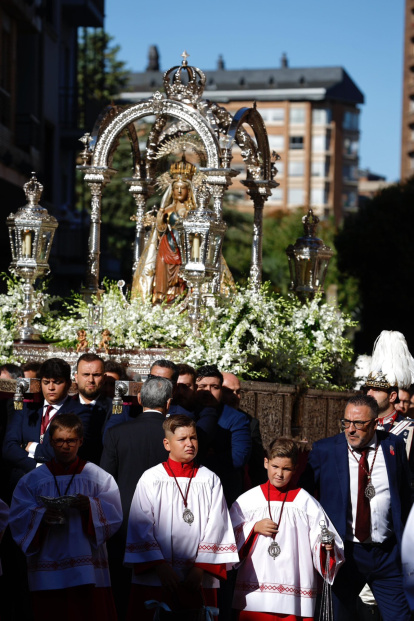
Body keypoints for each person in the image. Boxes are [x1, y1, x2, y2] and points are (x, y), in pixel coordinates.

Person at [301, 394, 412, 621]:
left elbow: (405, 496)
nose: (351, 429)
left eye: (359, 423)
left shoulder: (394, 446)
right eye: (346, 422)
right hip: (345, 554)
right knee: (338, 616)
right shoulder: (325, 450)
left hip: (387, 555)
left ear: (374, 423)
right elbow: (303, 496)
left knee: (400, 616)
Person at [124, 414, 239, 620]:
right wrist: (159, 566)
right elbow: (140, 524)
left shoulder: (209, 479)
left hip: (198, 577)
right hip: (157, 574)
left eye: (193, 438)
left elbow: (217, 525)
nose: (190, 444)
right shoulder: (151, 478)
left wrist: (200, 568)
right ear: (167, 444)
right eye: (182, 439)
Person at [9, 414, 122, 621]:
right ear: (50, 442)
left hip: (87, 565)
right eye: (59, 441)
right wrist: (42, 515)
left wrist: (89, 506)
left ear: (80, 441)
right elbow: (16, 517)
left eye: (70, 440)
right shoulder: (32, 480)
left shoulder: (97, 477)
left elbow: (114, 513)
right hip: (47, 563)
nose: (65, 446)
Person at [230, 437, 344, 620]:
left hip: (294, 590)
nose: (279, 474)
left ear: (296, 469)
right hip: (255, 591)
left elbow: (322, 537)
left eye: (286, 469)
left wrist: (325, 547)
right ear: (266, 462)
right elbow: (228, 539)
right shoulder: (247, 501)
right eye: (275, 466)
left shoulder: (306, 503)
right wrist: (253, 528)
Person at [100, 376, 173, 620]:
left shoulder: (117, 433)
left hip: (125, 522)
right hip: (168, 523)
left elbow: (105, 481)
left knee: (123, 591)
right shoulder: (178, 438)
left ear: (139, 399)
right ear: (169, 403)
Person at [132, 157, 197, 303]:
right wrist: (160, 217)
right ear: (172, 191)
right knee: (162, 271)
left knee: (183, 274)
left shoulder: (193, 210)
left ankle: (183, 298)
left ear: (188, 190)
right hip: (167, 246)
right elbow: (160, 231)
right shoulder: (168, 210)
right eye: (176, 188)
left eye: (183, 188)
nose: (179, 191)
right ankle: (162, 297)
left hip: (185, 247)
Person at [196, 365, 251, 505]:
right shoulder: (186, 414)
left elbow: (239, 457)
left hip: (223, 493)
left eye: (214, 387)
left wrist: (198, 458)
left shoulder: (237, 419)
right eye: (202, 386)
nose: (208, 391)